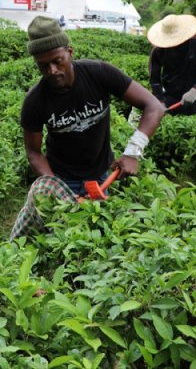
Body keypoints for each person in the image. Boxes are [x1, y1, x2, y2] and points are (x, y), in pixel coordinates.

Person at [11, 16, 164, 238]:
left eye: (57, 61)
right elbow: (34, 152)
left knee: (93, 238)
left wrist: (133, 151)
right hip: (62, 178)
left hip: (101, 175)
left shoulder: (99, 73)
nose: (52, 71)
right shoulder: (35, 101)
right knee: (58, 238)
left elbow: (154, 107)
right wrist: (56, 189)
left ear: (70, 53)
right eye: (43, 66)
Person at [147, 14, 196, 116]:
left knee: (194, 124)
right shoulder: (158, 50)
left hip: (194, 96)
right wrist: (160, 100)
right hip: (169, 95)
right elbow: (154, 79)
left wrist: (195, 90)